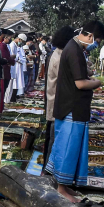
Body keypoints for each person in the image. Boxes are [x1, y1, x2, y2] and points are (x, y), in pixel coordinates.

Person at [46, 20, 104, 202]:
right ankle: (62, 188)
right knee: (67, 148)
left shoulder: (73, 48)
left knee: (67, 147)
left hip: (70, 106)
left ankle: (64, 185)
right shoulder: (73, 50)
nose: (96, 44)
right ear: (89, 36)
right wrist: (98, 82)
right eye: (97, 40)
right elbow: (80, 83)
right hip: (71, 107)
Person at [43, 26, 75, 173]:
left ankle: (47, 168)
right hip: (57, 102)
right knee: (53, 140)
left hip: (55, 100)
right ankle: (48, 171)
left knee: (51, 138)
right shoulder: (60, 57)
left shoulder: (58, 53)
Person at [0, 28, 13, 112]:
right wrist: (9, 60)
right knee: (1, 89)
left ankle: (1, 105)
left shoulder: (4, 45)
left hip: (6, 69)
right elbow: (5, 57)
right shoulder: (1, 45)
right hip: (2, 69)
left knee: (5, 88)